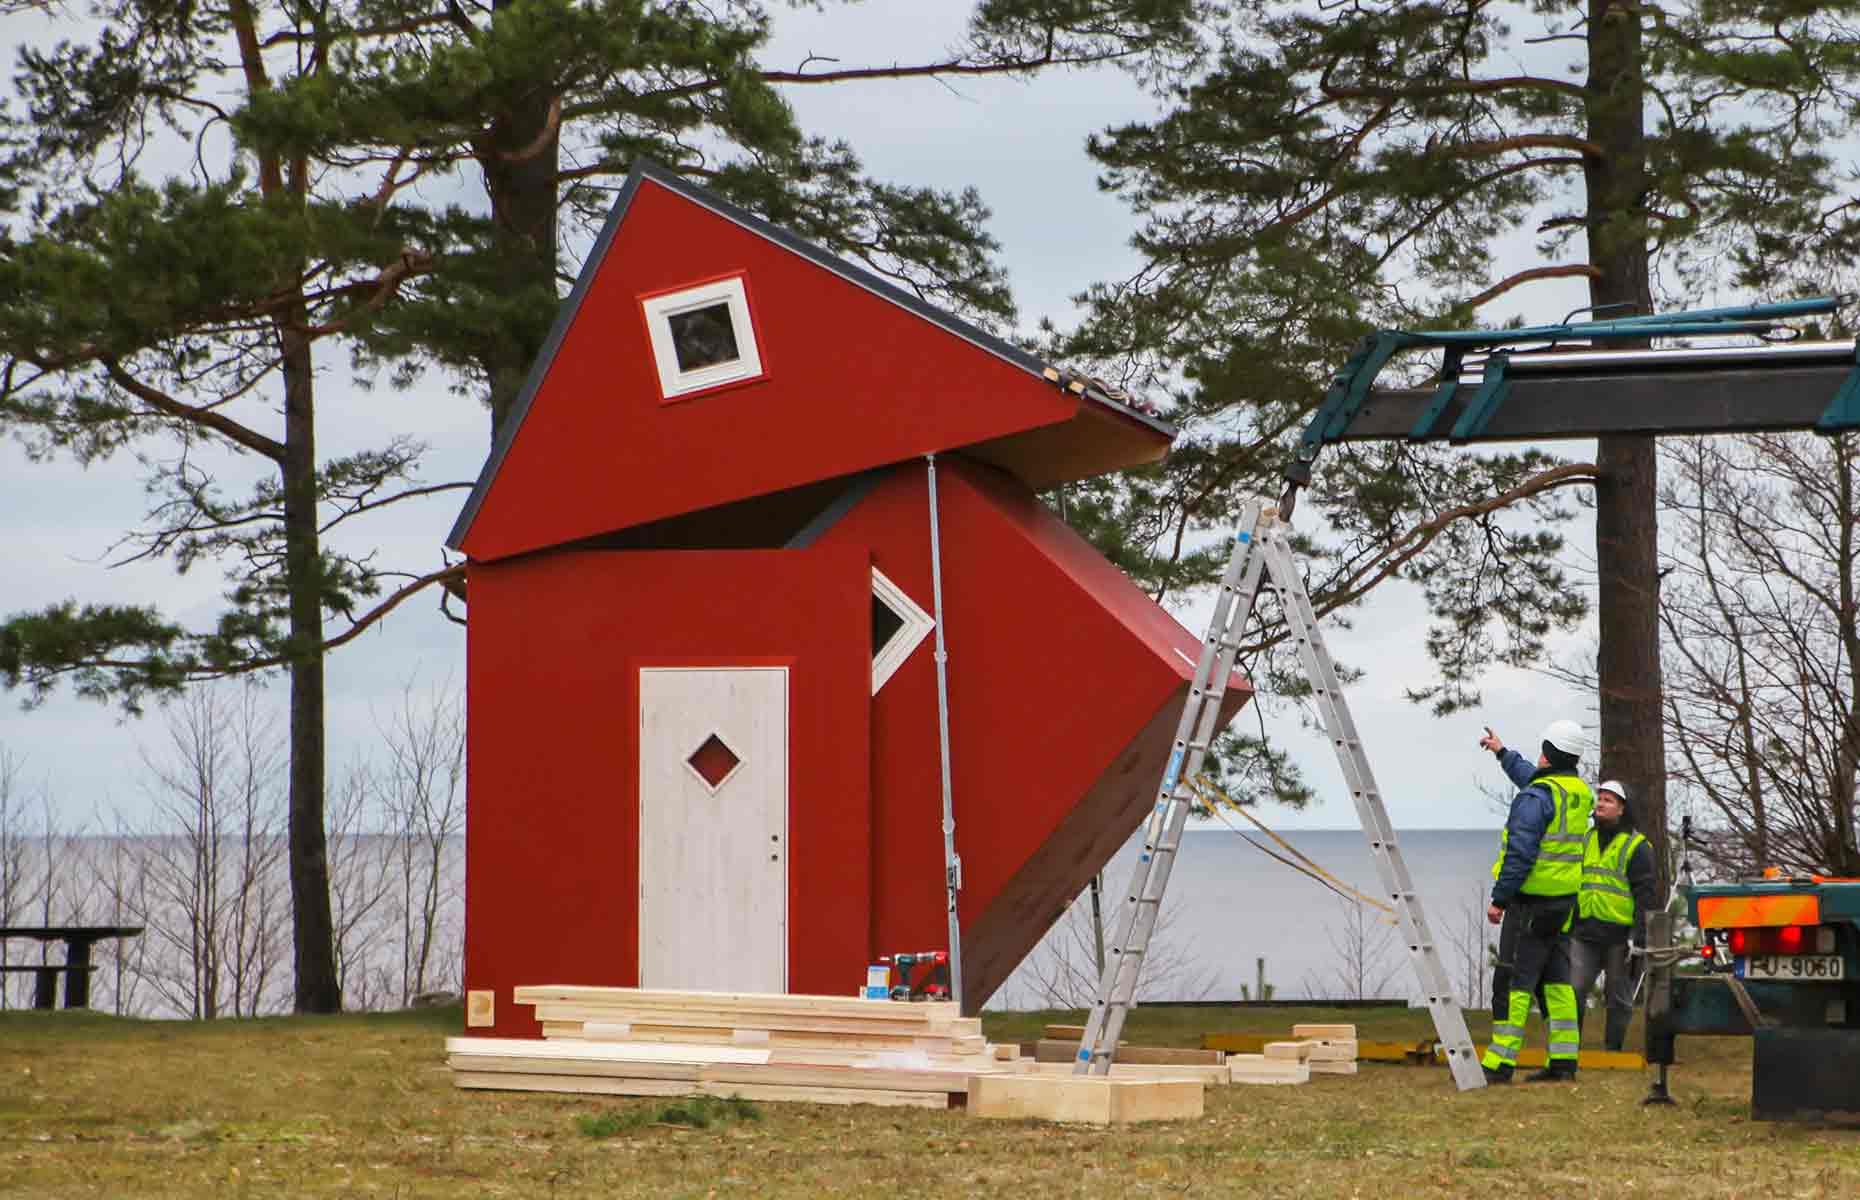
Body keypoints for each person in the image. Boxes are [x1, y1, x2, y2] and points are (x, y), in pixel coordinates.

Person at [1477, 719, 1594, 1084]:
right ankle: (1563, 1064)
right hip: (1563, 904)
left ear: (1548, 754)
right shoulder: (1576, 792)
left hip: (1529, 905)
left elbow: (1520, 854)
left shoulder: (1536, 798)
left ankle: (1499, 1065)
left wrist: (1500, 899)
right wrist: (1502, 753)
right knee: (1556, 983)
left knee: (1512, 983)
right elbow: (1534, 779)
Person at [1571, 780, 1658, 1052]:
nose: (1600, 803)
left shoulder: (1638, 847)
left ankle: (1613, 1050)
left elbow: (1645, 896)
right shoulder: (1586, 839)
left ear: (1622, 808)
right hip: (1584, 932)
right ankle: (1567, 1048)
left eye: (1608, 800)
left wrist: (1639, 936)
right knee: (1573, 989)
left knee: (1618, 998)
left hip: (1620, 937)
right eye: (1600, 798)